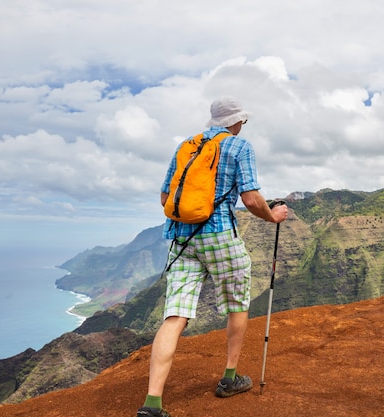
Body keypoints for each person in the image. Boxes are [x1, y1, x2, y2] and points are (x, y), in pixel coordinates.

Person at [137, 97, 289, 417]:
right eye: (241, 122)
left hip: (181, 238)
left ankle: (152, 403)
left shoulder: (187, 146)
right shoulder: (239, 147)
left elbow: (166, 196)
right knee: (236, 303)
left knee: (175, 315)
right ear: (236, 121)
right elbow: (249, 197)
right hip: (219, 235)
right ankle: (229, 378)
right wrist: (272, 217)